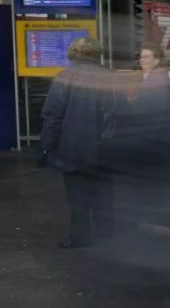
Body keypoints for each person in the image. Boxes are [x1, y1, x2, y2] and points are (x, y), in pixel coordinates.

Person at [40, 37, 116, 249]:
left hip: (73, 146)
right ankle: (106, 231)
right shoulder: (109, 77)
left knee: (78, 195)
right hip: (105, 146)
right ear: (96, 54)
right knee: (104, 190)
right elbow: (117, 112)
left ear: (73, 54)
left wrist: (47, 145)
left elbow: (52, 116)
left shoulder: (65, 77)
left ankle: (80, 237)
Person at [114, 42, 170, 222]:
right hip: (160, 135)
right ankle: (161, 208)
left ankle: (160, 212)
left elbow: (153, 109)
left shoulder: (156, 79)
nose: (143, 60)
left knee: (156, 174)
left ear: (156, 59)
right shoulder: (152, 76)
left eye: (147, 56)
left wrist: (129, 103)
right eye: (141, 57)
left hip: (157, 136)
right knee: (158, 174)